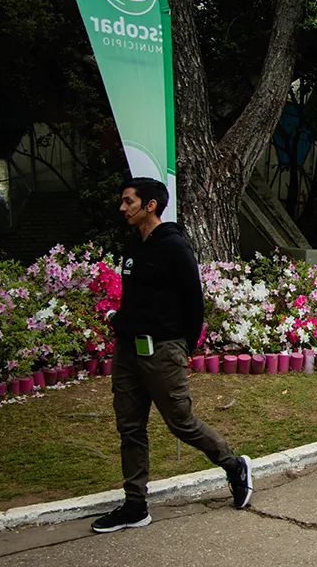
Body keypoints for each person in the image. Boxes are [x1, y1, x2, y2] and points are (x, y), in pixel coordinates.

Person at [93, 178, 252, 534]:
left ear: (150, 205)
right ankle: (135, 504)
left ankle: (233, 465)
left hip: (163, 351)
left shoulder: (175, 247)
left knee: (180, 421)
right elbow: (134, 299)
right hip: (127, 351)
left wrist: (183, 348)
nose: (122, 208)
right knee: (130, 428)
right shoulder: (133, 244)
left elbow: (193, 305)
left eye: (128, 201)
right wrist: (121, 322)